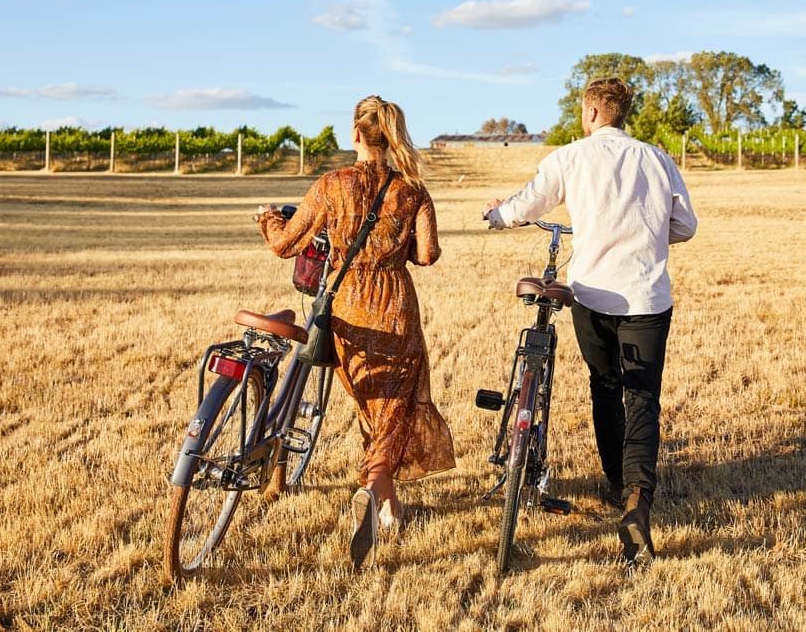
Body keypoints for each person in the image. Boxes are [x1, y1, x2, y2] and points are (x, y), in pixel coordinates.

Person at [483, 76, 698, 567]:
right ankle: (636, 502)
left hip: (593, 296)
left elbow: (529, 201)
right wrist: (648, 237)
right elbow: (685, 225)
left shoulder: (571, 157)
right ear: (624, 115)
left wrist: (498, 216)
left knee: (604, 385)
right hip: (646, 297)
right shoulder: (658, 159)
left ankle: (614, 481)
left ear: (592, 113)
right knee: (642, 396)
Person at [254, 95, 455, 569]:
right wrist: (394, 249)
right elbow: (427, 255)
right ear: (393, 136)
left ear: (357, 135)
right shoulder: (413, 191)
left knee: (374, 406)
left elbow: (285, 244)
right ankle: (376, 489)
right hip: (396, 306)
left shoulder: (332, 185)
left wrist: (267, 218)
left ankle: (384, 502)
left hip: (348, 307)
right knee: (392, 409)